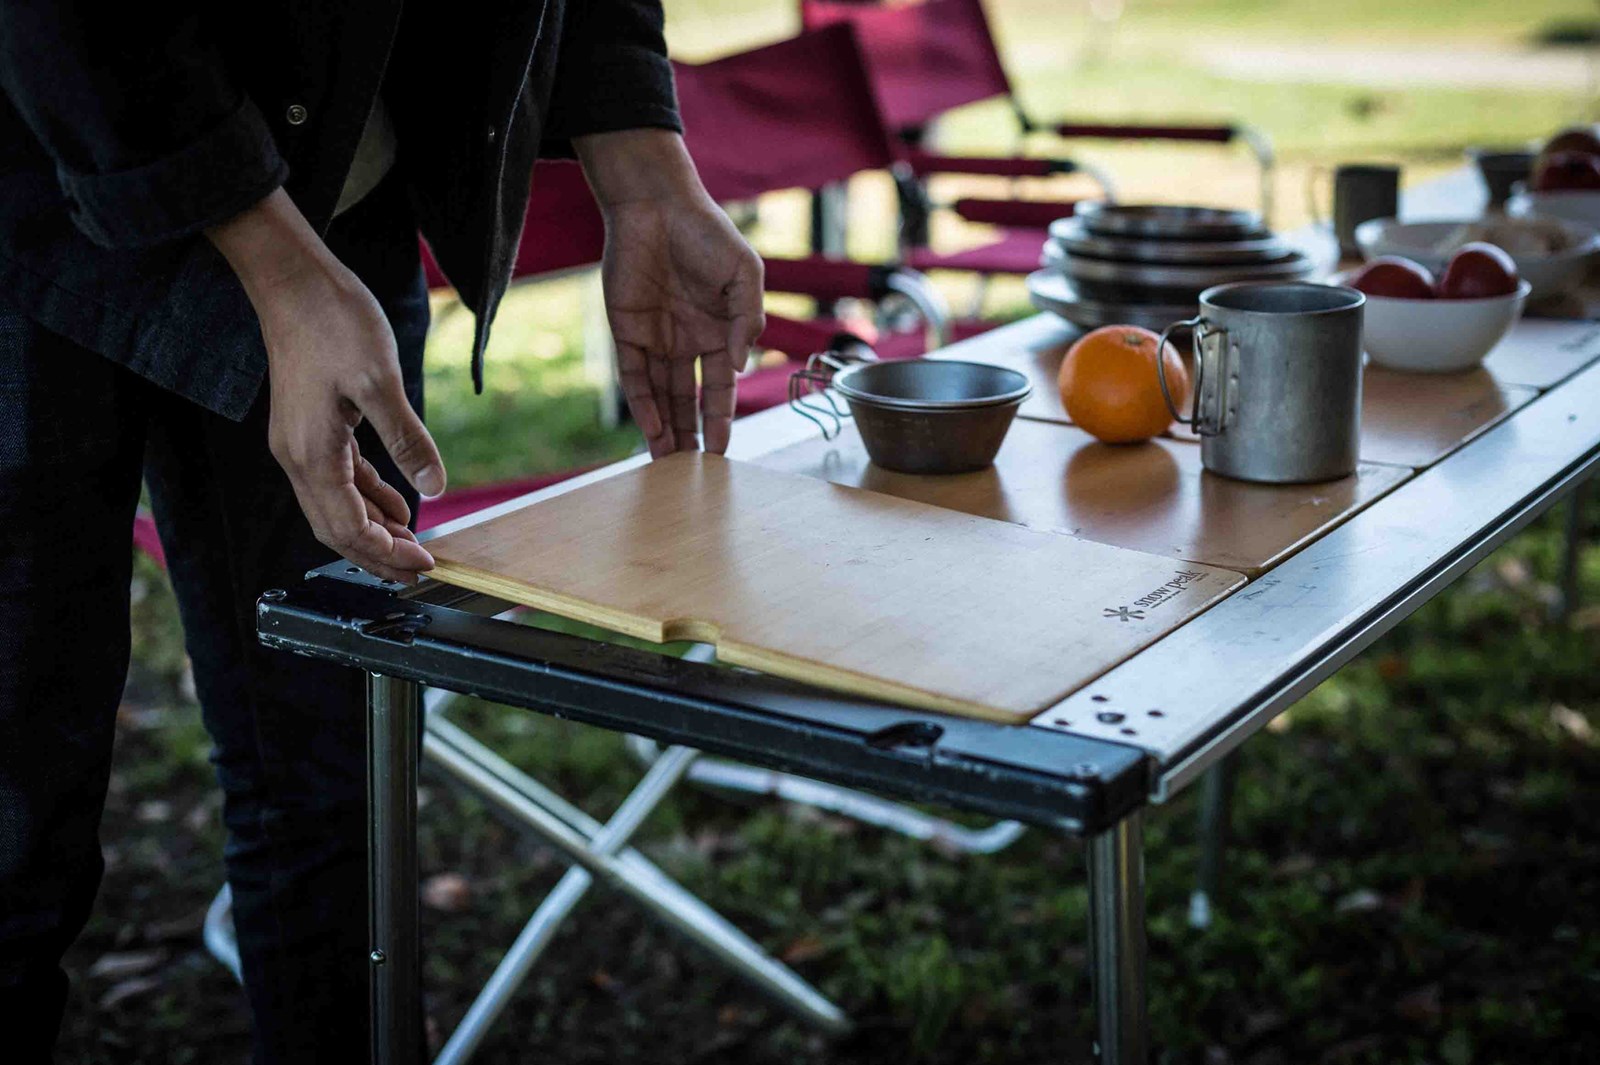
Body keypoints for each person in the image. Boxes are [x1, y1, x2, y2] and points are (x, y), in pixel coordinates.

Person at [0, 2, 764, 1061]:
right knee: (13, 822)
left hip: (334, 204)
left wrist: (644, 164)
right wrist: (277, 265)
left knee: (332, 783)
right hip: (24, 208)